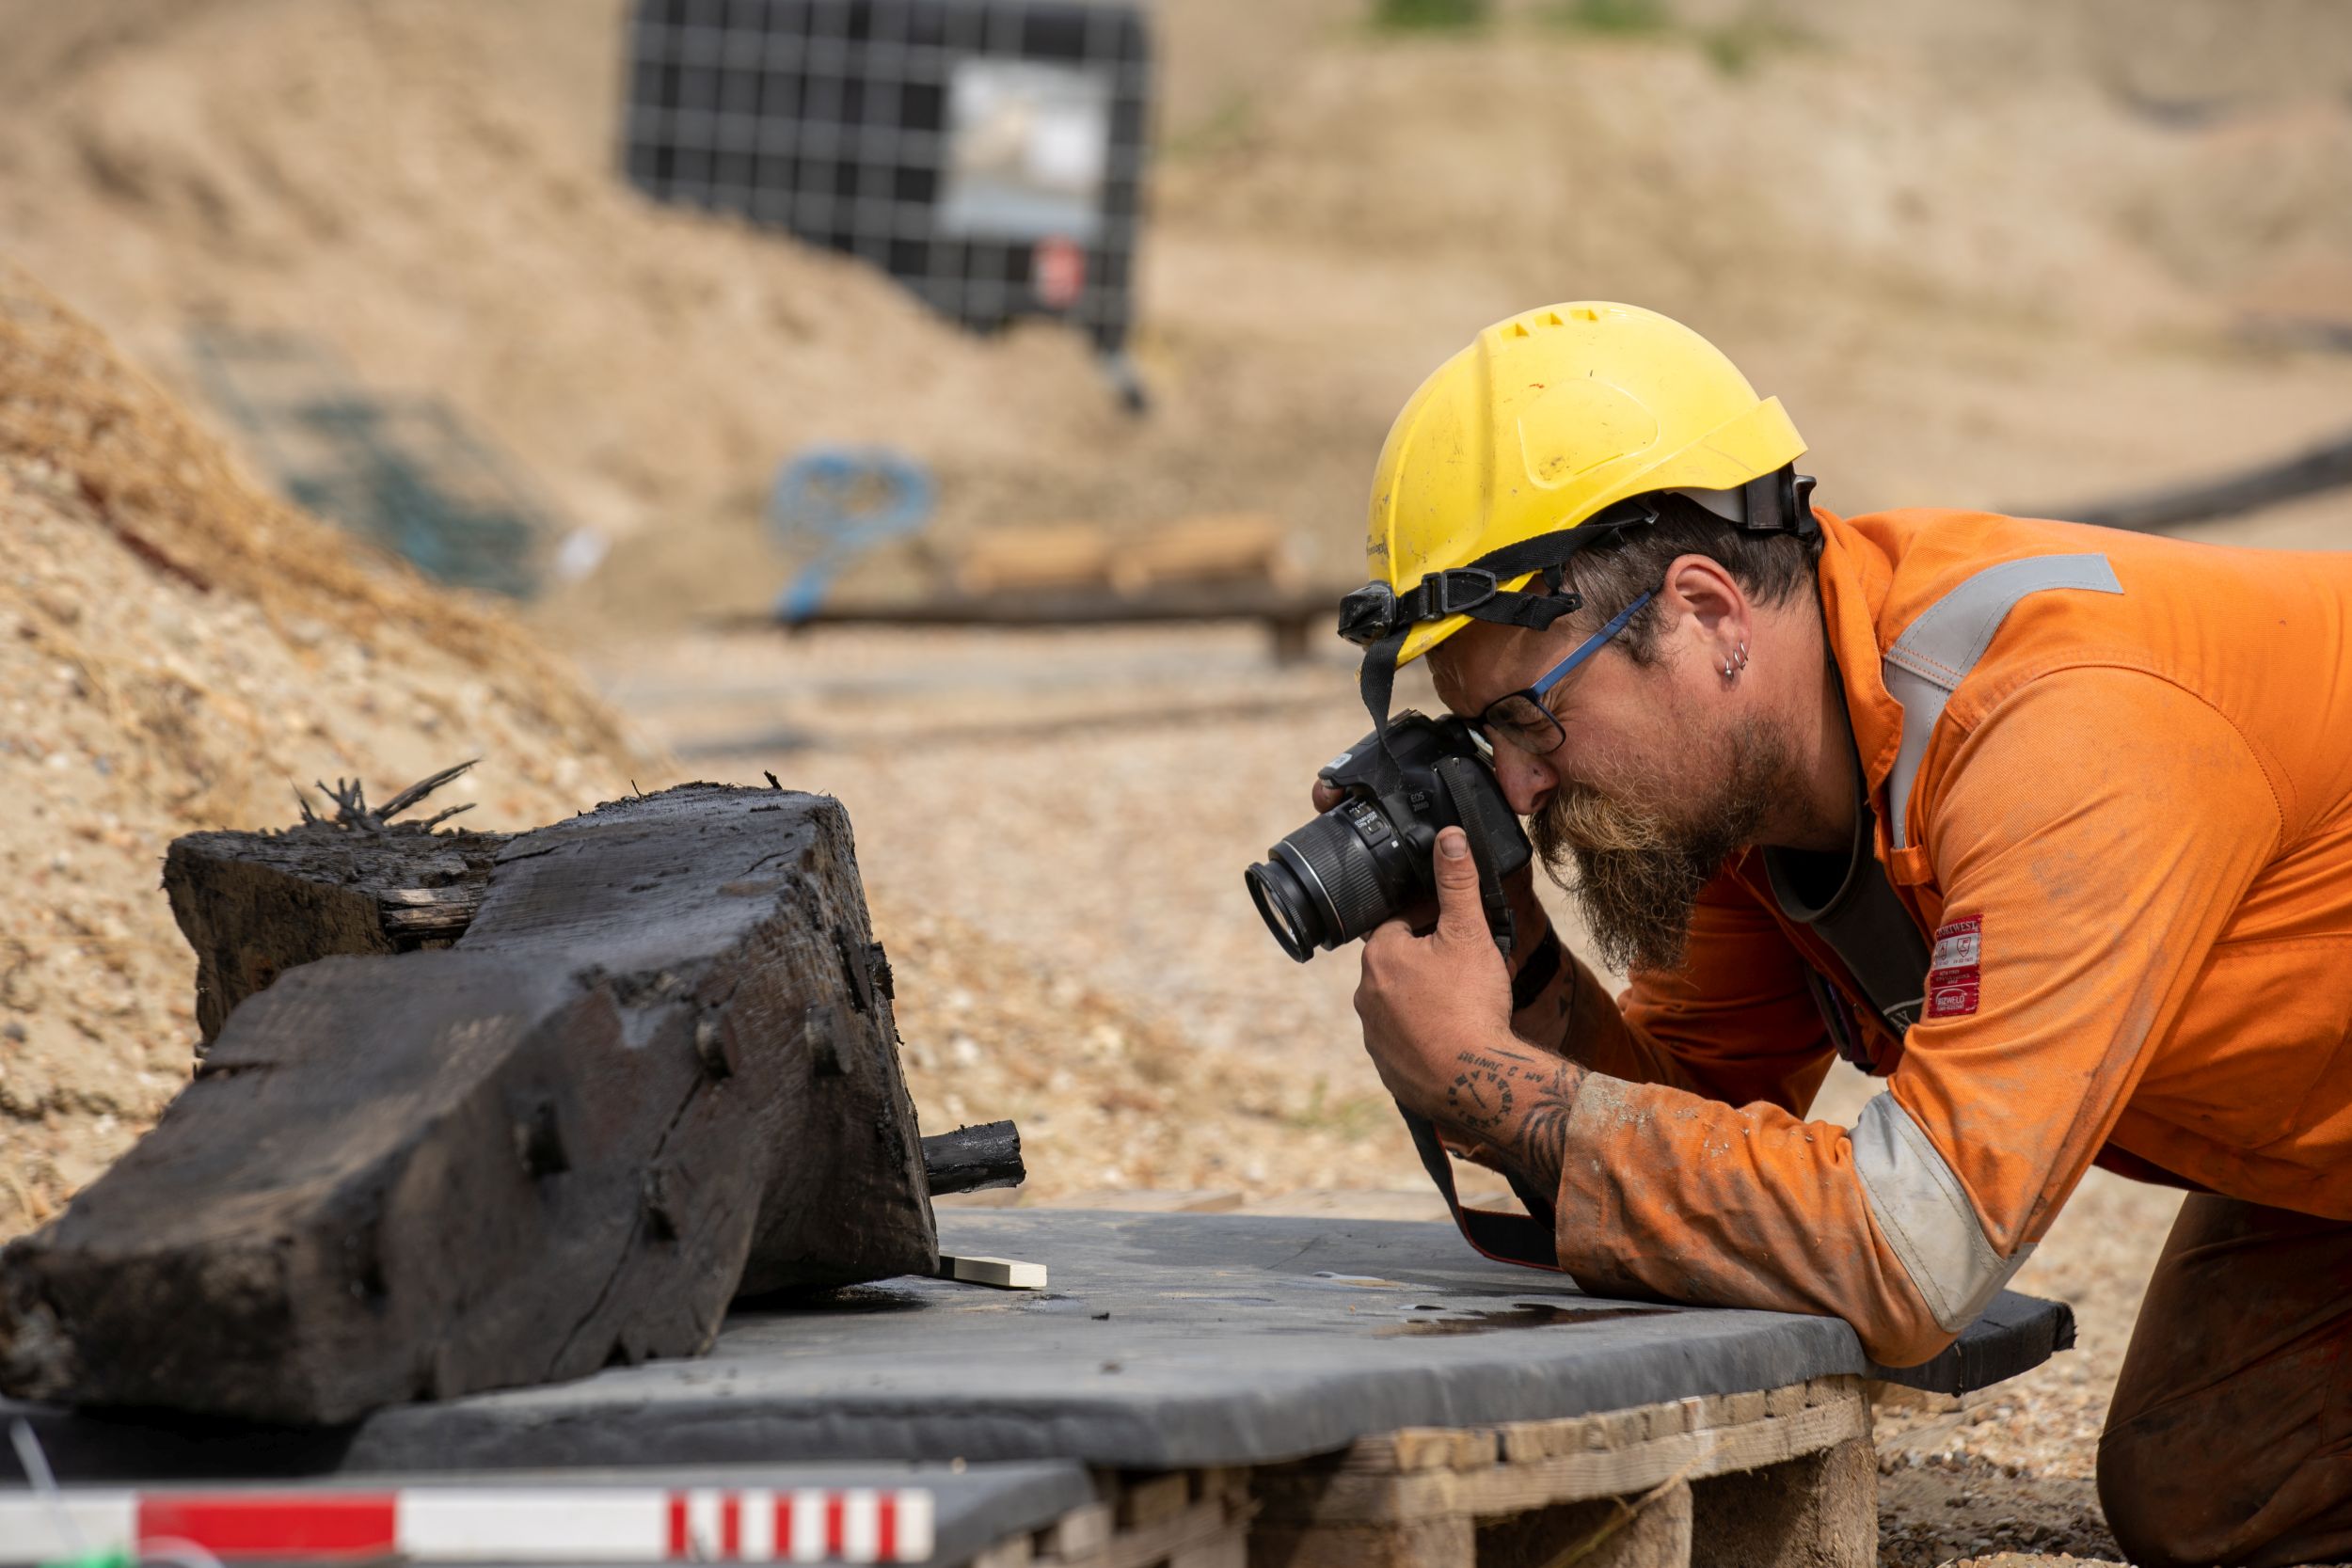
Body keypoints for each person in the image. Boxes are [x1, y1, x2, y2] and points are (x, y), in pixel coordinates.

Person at [1327, 301, 2352, 1568]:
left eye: (1536, 718)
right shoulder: (1764, 788)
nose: (1527, 789)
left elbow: (1913, 1257)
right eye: (1491, 743)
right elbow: (1681, 1138)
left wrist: (1492, 1088)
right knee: (2215, 1483)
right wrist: (1513, 954)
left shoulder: (2054, 732)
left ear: (1705, 612)